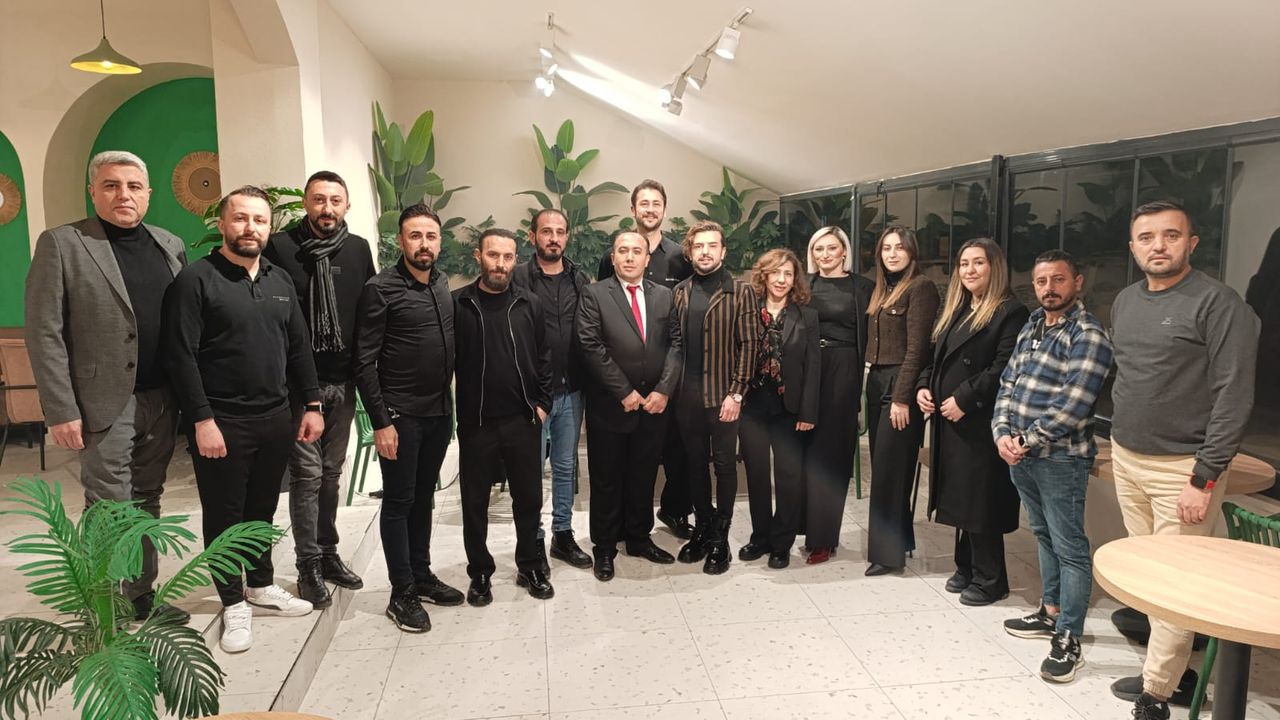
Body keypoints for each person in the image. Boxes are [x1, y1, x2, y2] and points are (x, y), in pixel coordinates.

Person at [1108, 201, 1259, 720]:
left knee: (1175, 581)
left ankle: (1156, 694)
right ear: (1133, 247)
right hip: (1127, 457)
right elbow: (1130, 376)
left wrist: (1204, 476)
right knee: (1151, 575)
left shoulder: (1218, 304)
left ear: (1191, 243)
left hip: (1183, 469)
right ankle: (1174, 671)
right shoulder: (1125, 301)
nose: (1158, 245)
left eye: (1171, 235)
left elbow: (1234, 396)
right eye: (1147, 237)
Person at [25, 150, 190, 623]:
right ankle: (105, 602)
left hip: (163, 398)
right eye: (112, 185)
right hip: (101, 401)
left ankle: (140, 595)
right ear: (93, 192)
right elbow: (44, 331)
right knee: (108, 505)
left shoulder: (170, 244)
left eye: (134, 186)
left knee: (148, 497)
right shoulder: (63, 243)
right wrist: (61, 409)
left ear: (148, 194)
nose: (124, 195)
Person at [162, 186, 320, 653]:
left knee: (262, 510)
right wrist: (201, 419)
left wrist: (312, 404)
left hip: (275, 418)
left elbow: (298, 348)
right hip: (222, 422)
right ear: (223, 224)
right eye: (241, 218)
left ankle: (261, 584)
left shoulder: (278, 279)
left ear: (269, 227)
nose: (250, 228)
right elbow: (180, 356)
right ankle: (233, 602)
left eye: (259, 220)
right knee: (224, 515)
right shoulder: (196, 280)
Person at [993, 249, 1113, 684]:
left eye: (1058, 279)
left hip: (1060, 458)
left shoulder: (1088, 334)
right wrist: (1001, 434)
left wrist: (1025, 440)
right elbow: (1008, 384)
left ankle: (1069, 635)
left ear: (1077, 282)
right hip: (1020, 454)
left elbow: (1073, 404)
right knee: (1042, 534)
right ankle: (1050, 610)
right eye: (1042, 281)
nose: (1049, 288)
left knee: (1070, 547)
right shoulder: (1032, 325)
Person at [263, 171, 374, 608]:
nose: (327, 208)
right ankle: (307, 563)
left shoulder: (358, 249)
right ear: (306, 203)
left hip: (343, 382)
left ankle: (328, 553)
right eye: (319, 199)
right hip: (297, 388)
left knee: (331, 473)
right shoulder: (279, 248)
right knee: (307, 476)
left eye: (335, 200)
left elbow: (369, 313)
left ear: (346, 205)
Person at [353, 203, 463, 633]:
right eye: (415, 236)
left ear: (439, 241)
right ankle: (401, 593)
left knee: (424, 497)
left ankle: (421, 574)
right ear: (401, 241)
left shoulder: (441, 283)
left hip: (438, 413)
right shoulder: (380, 289)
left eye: (431, 236)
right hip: (400, 418)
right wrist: (381, 422)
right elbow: (364, 362)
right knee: (399, 502)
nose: (424, 244)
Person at [915, 238, 1029, 605]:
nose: (969, 270)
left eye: (978, 262)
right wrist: (923, 385)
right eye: (964, 264)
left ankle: (991, 579)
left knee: (981, 502)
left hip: (983, 421)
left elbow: (1005, 367)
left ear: (995, 267)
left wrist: (965, 398)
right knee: (961, 498)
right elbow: (935, 356)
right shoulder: (959, 309)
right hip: (949, 420)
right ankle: (966, 567)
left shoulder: (1010, 312)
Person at [453, 229, 554, 605]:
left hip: (523, 420)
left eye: (508, 257)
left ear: (516, 259)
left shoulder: (530, 304)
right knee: (475, 503)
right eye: (493, 255)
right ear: (478, 256)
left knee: (528, 500)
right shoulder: (459, 304)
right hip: (476, 423)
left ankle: (530, 565)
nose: (500, 263)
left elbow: (545, 356)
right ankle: (480, 572)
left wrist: (542, 404)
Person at [577, 230, 683, 581]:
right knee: (606, 479)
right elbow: (590, 345)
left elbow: (676, 345)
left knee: (643, 475)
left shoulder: (664, 296)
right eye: (622, 251)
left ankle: (638, 538)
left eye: (636, 251)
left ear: (647, 258)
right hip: (611, 406)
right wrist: (623, 391)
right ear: (613, 257)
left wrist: (664, 390)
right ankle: (605, 546)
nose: (629, 257)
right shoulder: (594, 294)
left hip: (653, 406)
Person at [599, 180, 695, 540]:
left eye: (656, 203)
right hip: (626, 377)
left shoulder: (681, 256)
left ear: (664, 210)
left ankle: (674, 509)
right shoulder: (614, 255)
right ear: (633, 210)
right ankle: (626, 523)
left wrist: (669, 381)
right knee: (632, 456)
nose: (650, 209)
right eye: (644, 203)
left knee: (677, 449)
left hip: (670, 371)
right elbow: (606, 309)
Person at [671, 220, 760, 574]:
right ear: (690, 252)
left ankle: (721, 537)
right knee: (694, 465)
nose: (705, 252)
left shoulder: (740, 291)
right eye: (699, 246)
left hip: (724, 396)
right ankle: (704, 528)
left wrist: (737, 392)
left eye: (712, 245)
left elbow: (750, 344)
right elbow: (674, 345)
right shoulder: (680, 291)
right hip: (686, 398)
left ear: (723, 251)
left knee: (724, 466)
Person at [511, 208, 591, 571]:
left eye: (560, 231)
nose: (553, 238)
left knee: (564, 466)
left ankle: (563, 535)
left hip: (572, 390)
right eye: (546, 231)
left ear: (567, 237)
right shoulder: (518, 278)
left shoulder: (579, 279)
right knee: (530, 471)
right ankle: (533, 539)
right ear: (533, 236)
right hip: (532, 396)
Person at [864, 226, 940, 576]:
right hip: (877, 380)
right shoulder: (883, 288)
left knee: (890, 473)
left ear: (912, 252)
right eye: (886, 248)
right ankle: (900, 540)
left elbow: (917, 348)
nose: (892, 254)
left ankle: (887, 556)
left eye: (899, 248)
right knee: (884, 468)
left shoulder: (921, 287)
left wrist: (902, 397)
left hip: (899, 385)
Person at [738, 249, 820, 569]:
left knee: (788, 477)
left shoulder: (806, 315)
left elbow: (813, 367)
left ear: (795, 279)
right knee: (756, 475)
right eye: (776, 273)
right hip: (752, 406)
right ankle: (760, 537)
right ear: (764, 275)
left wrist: (808, 413)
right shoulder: (747, 310)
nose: (782, 280)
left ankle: (781, 543)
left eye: (788, 273)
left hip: (789, 409)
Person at [801, 226, 873, 564]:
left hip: (843, 370)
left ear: (844, 251)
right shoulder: (804, 285)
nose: (825, 255)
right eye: (818, 249)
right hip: (807, 369)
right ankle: (807, 530)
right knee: (806, 454)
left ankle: (824, 539)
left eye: (831, 248)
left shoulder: (863, 288)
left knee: (832, 456)